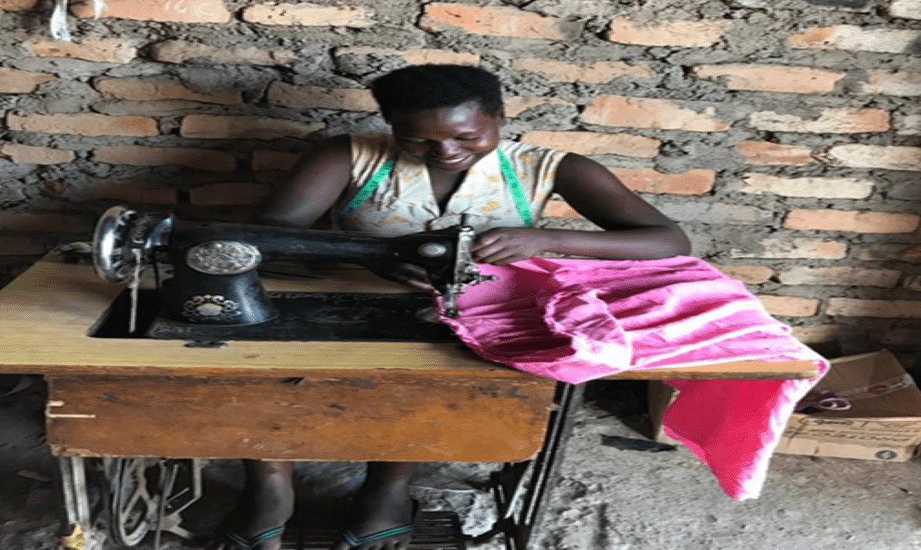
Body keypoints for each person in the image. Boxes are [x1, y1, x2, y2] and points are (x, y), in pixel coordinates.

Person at [218, 64, 691, 550]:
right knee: (264, 368)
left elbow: (669, 241)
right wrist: (376, 257)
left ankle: (388, 488)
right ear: (390, 125)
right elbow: (271, 234)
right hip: (347, 294)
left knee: (431, 379)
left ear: (500, 118)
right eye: (418, 140)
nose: (446, 152)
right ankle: (269, 487)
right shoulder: (348, 156)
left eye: (468, 136)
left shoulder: (549, 168)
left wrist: (544, 238)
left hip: (472, 307)